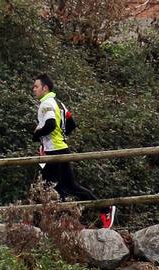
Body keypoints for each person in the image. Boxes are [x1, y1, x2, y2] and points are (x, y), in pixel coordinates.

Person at [32, 73, 115, 229]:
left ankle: (39, 223)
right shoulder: (59, 103)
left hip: (54, 152)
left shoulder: (46, 104)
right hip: (61, 148)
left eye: (36, 86)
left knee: (44, 186)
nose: (33, 89)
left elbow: (50, 125)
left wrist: (36, 134)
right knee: (67, 186)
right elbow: (71, 124)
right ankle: (104, 209)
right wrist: (57, 139)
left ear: (45, 88)